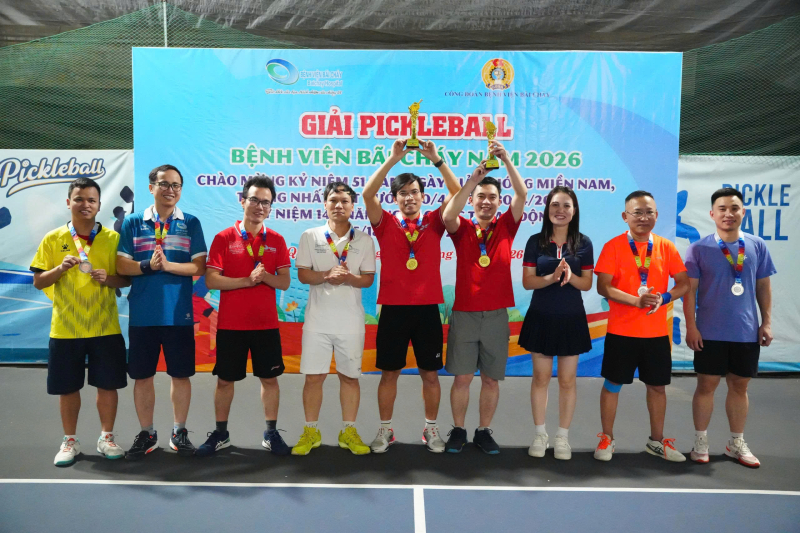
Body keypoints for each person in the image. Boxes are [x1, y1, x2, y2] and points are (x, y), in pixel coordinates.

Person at [362, 138, 460, 454]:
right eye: (402, 193)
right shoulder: (385, 223)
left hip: (427, 310)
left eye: (414, 192)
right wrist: (393, 159)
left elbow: (457, 192)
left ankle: (431, 429)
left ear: (422, 196)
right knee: (389, 373)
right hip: (393, 309)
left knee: (430, 374)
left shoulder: (434, 221)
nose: (409, 197)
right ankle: (385, 430)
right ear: (395, 199)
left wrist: (436, 159)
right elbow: (367, 194)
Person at [31, 178, 130, 466]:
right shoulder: (53, 238)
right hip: (66, 329)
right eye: (79, 199)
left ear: (99, 205)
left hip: (105, 327)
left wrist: (108, 278)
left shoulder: (113, 239)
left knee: (107, 385)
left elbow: (125, 280)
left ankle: (106, 437)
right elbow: (38, 281)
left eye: (91, 200)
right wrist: (59, 269)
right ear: (68, 202)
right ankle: (70, 441)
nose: (85, 204)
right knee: (67, 388)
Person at [441, 141, 528, 454]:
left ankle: (483, 431)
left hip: (495, 316)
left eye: (492, 197)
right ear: (473, 200)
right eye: (481, 197)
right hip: (464, 313)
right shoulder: (462, 228)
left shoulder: (506, 226)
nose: (486, 202)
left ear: (499, 202)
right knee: (462, 378)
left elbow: (522, 195)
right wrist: (473, 181)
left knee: (491, 380)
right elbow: (448, 214)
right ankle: (458, 430)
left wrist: (507, 160)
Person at [197, 175, 292, 457]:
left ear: (271, 207)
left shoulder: (276, 240)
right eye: (254, 200)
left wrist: (265, 278)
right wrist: (247, 281)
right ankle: (221, 433)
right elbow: (212, 280)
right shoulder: (224, 238)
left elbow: (284, 282)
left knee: (270, 380)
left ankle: (271, 433)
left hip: (266, 325)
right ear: (242, 201)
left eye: (265, 202)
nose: (259, 206)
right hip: (231, 325)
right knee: (225, 381)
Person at [116, 164, 207, 459]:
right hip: (143, 314)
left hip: (178, 314)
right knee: (142, 377)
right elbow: (121, 265)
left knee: (180, 376)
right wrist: (147, 266)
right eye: (164, 184)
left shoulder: (190, 223)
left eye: (176, 185)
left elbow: (199, 266)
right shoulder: (133, 222)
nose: (170, 190)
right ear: (151, 187)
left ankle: (179, 432)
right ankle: (147, 433)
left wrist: (167, 265)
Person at [594, 190, 690, 462]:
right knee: (613, 384)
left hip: (656, 334)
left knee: (657, 387)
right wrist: (635, 301)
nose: (643, 217)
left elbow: (683, 283)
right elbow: (603, 286)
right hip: (621, 332)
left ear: (656, 216)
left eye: (649, 212)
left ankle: (656, 442)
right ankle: (607, 438)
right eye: (637, 212)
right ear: (625, 216)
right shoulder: (613, 246)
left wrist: (665, 297)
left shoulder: (666, 247)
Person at [684, 187, 776, 468]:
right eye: (722, 209)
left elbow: (763, 286)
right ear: (712, 214)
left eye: (734, 208)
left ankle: (736, 443)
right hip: (709, 331)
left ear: (743, 212)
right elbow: (689, 291)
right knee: (706, 385)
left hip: (745, 331)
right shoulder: (698, 248)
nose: (728, 213)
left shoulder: (757, 245)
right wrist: (691, 327)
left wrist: (766, 322)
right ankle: (700, 442)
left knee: (739, 386)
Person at [291, 181, 376, 456]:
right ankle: (311, 431)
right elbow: (303, 274)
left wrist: (349, 278)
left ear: (353, 206)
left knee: (349, 378)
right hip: (317, 322)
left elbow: (368, 279)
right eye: (333, 200)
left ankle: (348, 431)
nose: (338, 205)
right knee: (313, 378)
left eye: (344, 201)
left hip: (351, 324)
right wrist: (327, 275)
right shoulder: (310, 236)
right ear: (325, 204)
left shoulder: (364, 239)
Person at [520, 186, 594, 460]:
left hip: (571, 318)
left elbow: (587, 284)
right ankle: (540, 434)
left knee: (567, 380)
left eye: (566, 206)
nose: (560, 210)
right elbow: (528, 282)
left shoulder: (584, 243)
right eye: (555, 205)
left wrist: (570, 277)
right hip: (541, 317)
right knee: (540, 378)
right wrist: (551, 277)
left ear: (574, 211)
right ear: (547, 209)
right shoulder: (535, 241)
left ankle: (562, 437)